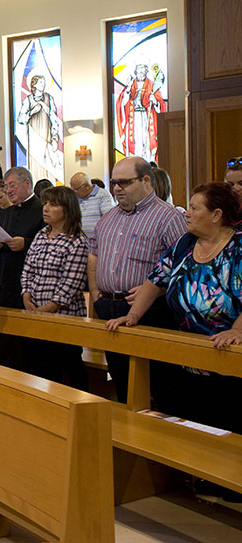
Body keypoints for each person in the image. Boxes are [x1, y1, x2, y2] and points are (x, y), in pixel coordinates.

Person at [106, 181, 242, 436]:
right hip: (188, 354)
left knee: (229, 429)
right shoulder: (185, 244)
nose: (186, 213)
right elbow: (156, 278)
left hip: (230, 359)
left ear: (216, 215)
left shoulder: (239, 248)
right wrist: (133, 315)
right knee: (195, 426)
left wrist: (238, 331)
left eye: (193, 207)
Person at [89, 156, 186, 403]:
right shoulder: (109, 217)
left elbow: (184, 265)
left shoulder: (168, 217)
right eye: (114, 183)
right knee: (121, 378)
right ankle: (125, 433)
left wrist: (151, 289)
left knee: (158, 383)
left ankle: (160, 435)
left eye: (124, 182)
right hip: (110, 306)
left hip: (150, 310)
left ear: (146, 180)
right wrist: (94, 289)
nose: (117, 188)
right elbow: (94, 254)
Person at [20, 186, 89, 389]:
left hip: (64, 315)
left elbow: (71, 283)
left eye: (53, 204)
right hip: (35, 312)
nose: (46, 208)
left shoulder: (77, 241)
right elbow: (28, 268)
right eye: (45, 203)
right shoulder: (42, 234)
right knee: (42, 365)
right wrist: (26, 295)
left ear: (67, 209)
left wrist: (47, 309)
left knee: (67, 364)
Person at [0, 166, 46, 371]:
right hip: (8, 277)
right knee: (8, 329)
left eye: (12, 185)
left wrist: (26, 243)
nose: (9, 191)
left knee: (27, 335)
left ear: (27, 183)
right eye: (6, 187)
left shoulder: (42, 209)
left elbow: (49, 242)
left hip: (31, 281)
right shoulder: (6, 212)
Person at [16, 75, 63, 185]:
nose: (43, 84)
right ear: (34, 85)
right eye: (41, 82)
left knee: (48, 164)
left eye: (44, 82)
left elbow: (54, 118)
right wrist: (32, 112)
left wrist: (55, 137)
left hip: (46, 137)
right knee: (36, 165)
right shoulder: (29, 100)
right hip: (34, 139)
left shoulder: (49, 98)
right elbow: (21, 119)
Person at [116, 63, 165, 162]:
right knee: (136, 140)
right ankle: (136, 161)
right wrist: (127, 91)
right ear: (136, 72)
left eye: (143, 71)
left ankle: (148, 161)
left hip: (146, 117)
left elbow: (161, 104)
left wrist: (154, 100)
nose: (141, 73)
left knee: (146, 141)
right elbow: (122, 102)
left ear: (146, 72)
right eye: (139, 71)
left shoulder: (152, 85)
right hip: (134, 118)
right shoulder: (131, 85)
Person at [69, 172, 115, 238]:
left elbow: (107, 219)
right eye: (72, 190)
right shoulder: (75, 198)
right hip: (78, 240)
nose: (74, 193)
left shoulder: (102, 194)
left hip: (97, 240)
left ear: (87, 186)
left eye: (76, 190)